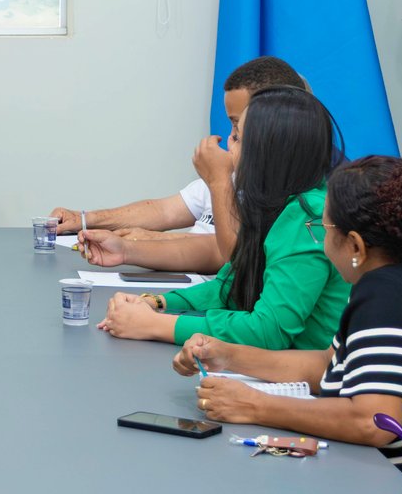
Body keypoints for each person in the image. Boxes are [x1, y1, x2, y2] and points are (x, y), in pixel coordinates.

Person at [174, 156, 402, 494]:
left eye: (324, 229)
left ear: (355, 245)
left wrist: (256, 406)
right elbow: (330, 366)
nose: (322, 241)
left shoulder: (392, 297)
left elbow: (374, 422)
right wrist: (229, 356)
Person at [96, 87, 349, 349]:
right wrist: (155, 303)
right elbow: (229, 287)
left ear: (266, 154)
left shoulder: (307, 216)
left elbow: (268, 331)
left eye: (237, 138)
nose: (228, 146)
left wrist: (154, 325)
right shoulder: (274, 204)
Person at [61, 56, 307, 273]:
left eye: (238, 125)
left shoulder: (290, 197)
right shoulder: (233, 172)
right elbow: (164, 211)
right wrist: (85, 219)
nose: (231, 136)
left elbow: (229, 254)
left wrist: (144, 243)